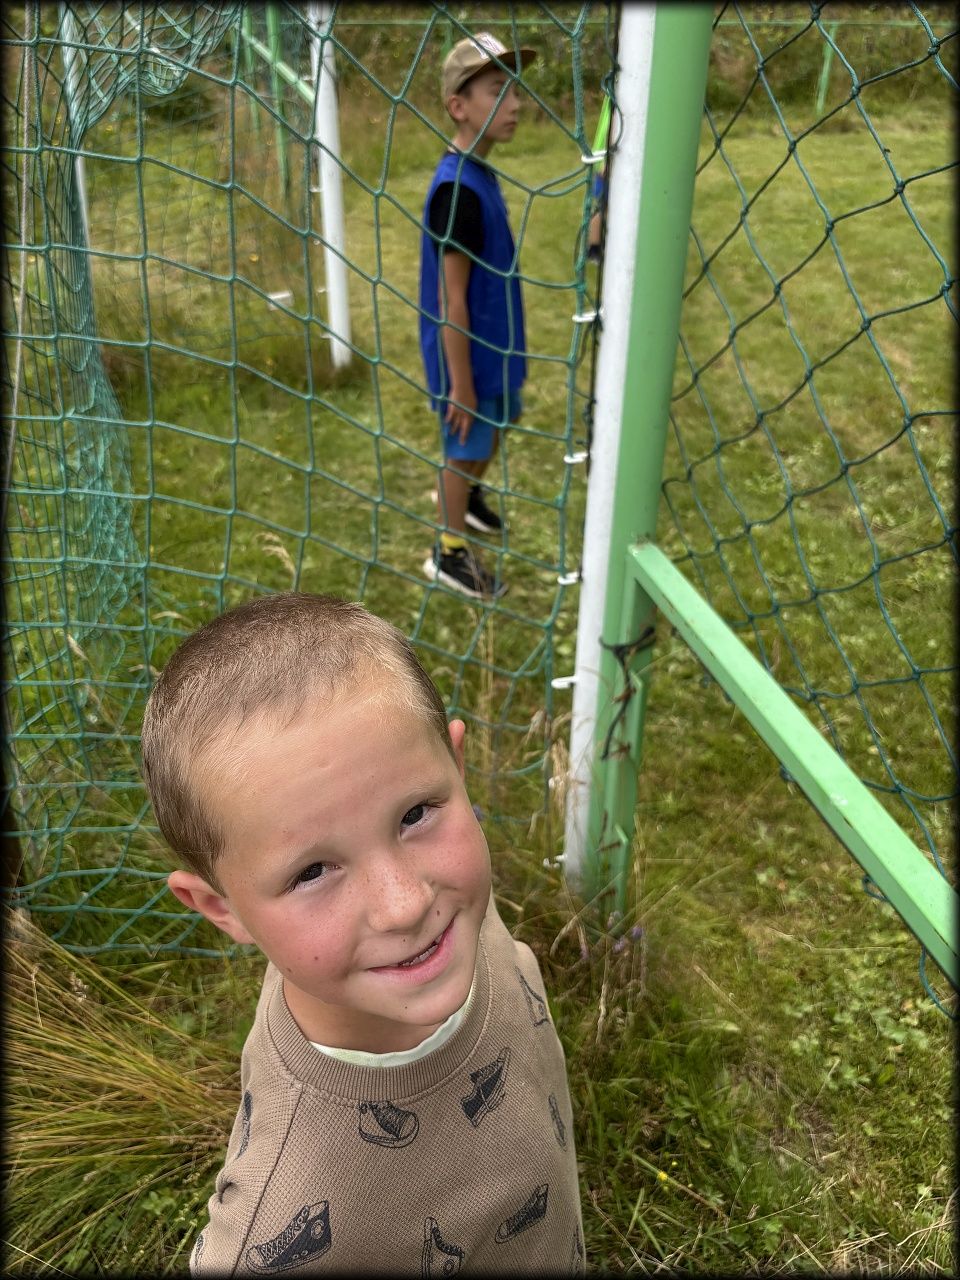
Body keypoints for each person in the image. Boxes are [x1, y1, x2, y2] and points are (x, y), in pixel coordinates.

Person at [140, 591, 584, 1275]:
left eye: (415, 814)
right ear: (223, 909)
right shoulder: (278, 1223)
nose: (404, 905)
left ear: (458, 770)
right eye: (313, 871)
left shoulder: (455, 919)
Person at [419, 32, 536, 601]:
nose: (515, 104)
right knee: (464, 447)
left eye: (515, 91)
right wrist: (460, 385)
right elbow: (452, 300)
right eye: (497, 91)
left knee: (501, 423)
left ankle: (467, 499)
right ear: (458, 107)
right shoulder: (456, 191)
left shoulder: (480, 173)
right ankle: (448, 552)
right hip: (465, 357)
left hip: (493, 347)